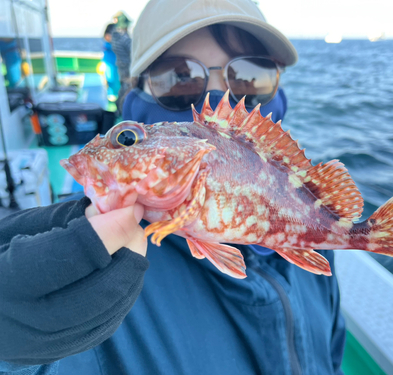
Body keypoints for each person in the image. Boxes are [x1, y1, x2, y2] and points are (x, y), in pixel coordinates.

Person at [0, 0, 346, 374]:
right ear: (136, 101)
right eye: (181, 77)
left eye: (250, 76)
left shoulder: (314, 230)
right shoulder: (94, 262)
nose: (223, 100)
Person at [110, 11, 132, 113]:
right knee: (127, 91)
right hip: (127, 69)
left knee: (123, 89)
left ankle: (120, 110)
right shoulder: (124, 38)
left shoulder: (115, 37)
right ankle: (122, 111)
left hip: (121, 67)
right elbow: (133, 52)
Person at [101, 24, 120, 102]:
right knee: (111, 80)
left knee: (114, 81)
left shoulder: (110, 47)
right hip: (110, 65)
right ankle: (111, 98)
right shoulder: (109, 47)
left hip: (114, 65)